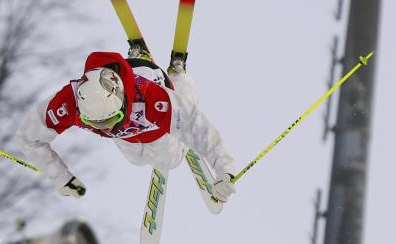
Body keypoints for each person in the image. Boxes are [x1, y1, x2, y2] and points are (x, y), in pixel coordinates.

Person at [15, 50, 236, 202]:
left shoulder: (151, 99)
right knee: (137, 161)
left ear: (122, 102)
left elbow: (197, 128)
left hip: (155, 129)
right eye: (95, 124)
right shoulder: (68, 103)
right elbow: (29, 139)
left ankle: (180, 79)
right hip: (128, 136)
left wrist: (225, 170)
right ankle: (138, 57)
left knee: (168, 161)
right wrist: (60, 177)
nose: (105, 130)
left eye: (109, 121)